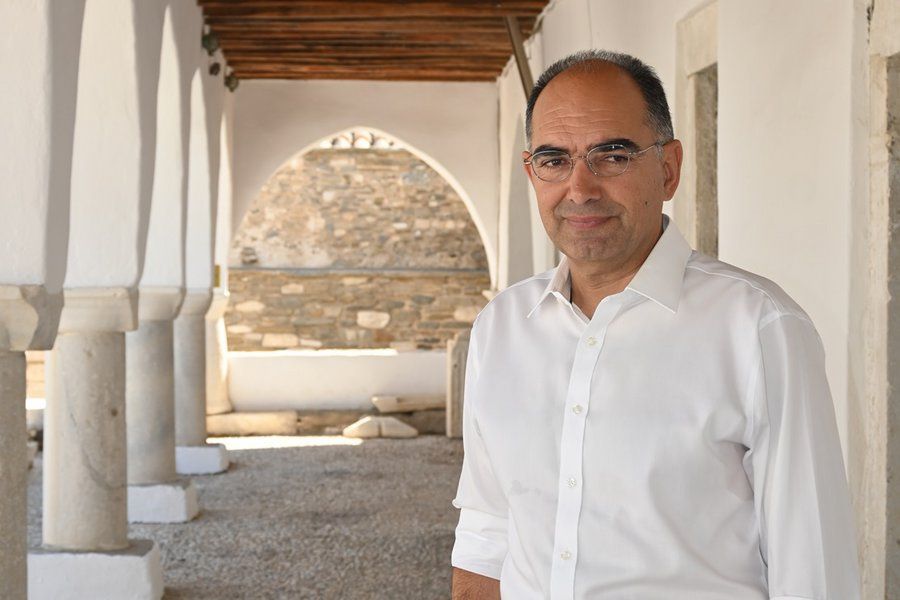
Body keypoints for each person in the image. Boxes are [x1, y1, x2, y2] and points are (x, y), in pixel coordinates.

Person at [449, 50, 860, 600]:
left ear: (669, 169)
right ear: (532, 172)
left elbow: (814, 570)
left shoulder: (759, 328)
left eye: (612, 156)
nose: (580, 188)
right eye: (553, 160)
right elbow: (487, 528)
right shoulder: (501, 328)